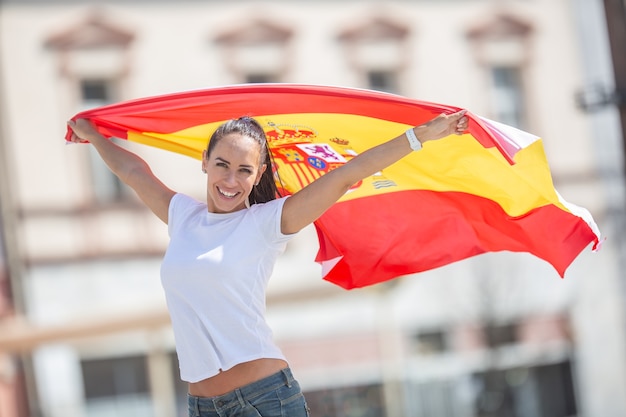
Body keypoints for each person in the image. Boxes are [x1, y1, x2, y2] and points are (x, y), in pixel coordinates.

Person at [67, 109, 468, 417]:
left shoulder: (268, 222)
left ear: (258, 174)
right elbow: (134, 171)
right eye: (222, 164)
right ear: (205, 161)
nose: (231, 179)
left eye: (244, 170)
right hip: (202, 405)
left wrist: (421, 136)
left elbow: (348, 174)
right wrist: (92, 134)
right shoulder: (182, 217)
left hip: (264, 399)